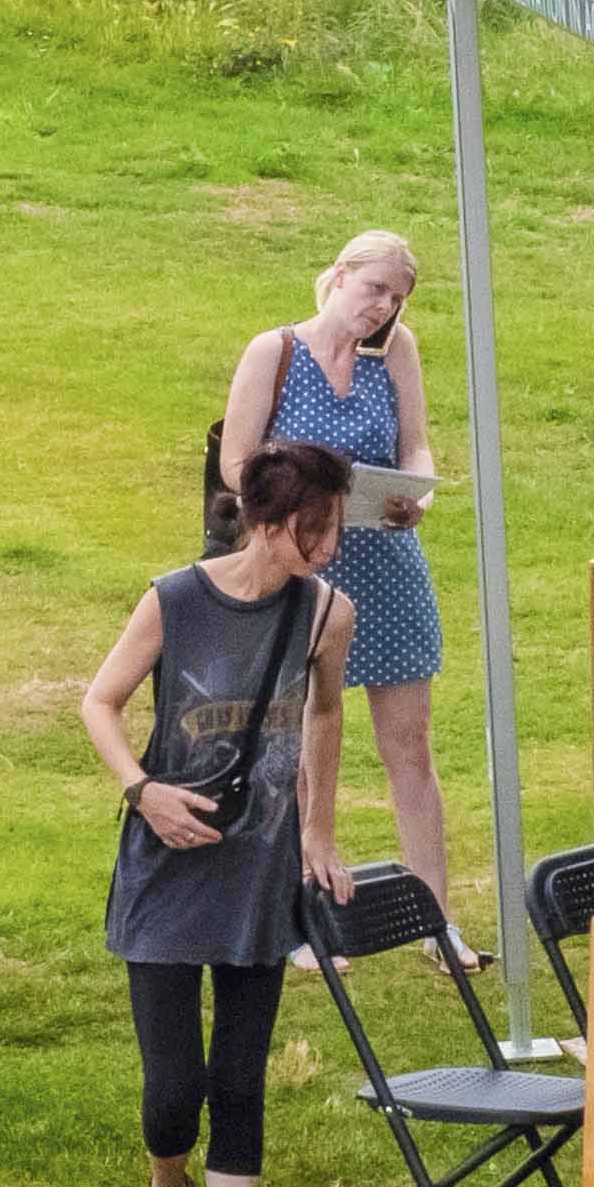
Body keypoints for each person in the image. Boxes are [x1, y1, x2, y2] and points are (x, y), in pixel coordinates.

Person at [80, 440, 359, 1187]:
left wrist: (316, 830)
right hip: (167, 870)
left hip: (257, 873)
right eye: (315, 531)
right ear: (268, 526)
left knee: (239, 1084)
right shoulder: (176, 600)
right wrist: (142, 791)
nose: (329, 545)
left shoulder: (326, 615)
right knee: (174, 1092)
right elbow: (100, 703)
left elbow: (324, 713)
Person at [220, 232, 461, 934]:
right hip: (300, 561)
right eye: (374, 290)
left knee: (410, 744)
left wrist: (420, 495)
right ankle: (301, 914)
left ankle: (437, 918)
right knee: (299, 740)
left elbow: (415, 444)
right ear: (339, 277)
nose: (383, 308)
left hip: (385, 561)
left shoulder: (398, 352)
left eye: (396, 298)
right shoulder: (276, 351)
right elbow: (238, 462)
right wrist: (301, 500)